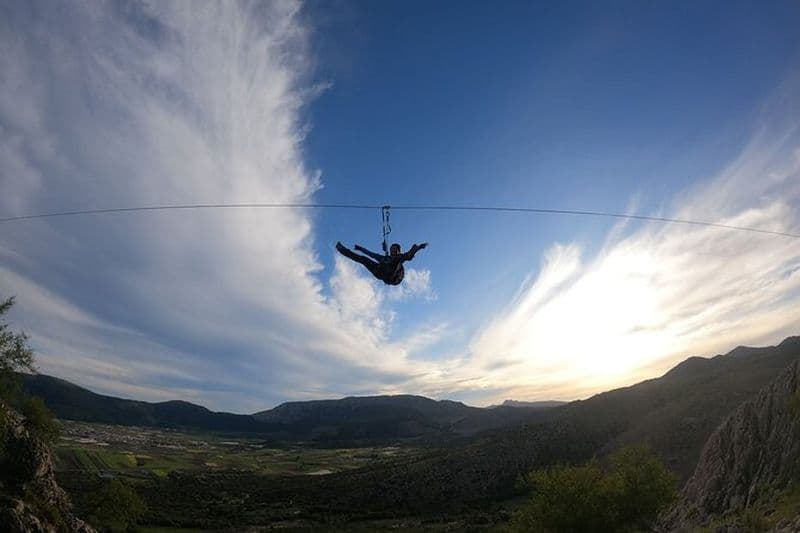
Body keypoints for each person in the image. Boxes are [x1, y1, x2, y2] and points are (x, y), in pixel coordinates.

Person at [336, 241, 428, 286]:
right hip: (380, 272)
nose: (393, 250)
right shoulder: (384, 258)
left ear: (398, 251)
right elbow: (371, 254)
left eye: (395, 249)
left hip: (394, 277)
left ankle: (388, 268)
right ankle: (343, 250)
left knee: (397, 259)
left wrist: (418, 248)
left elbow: (408, 255)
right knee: (363, 259)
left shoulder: (399, 258)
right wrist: (360, 249)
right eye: (392, 249)